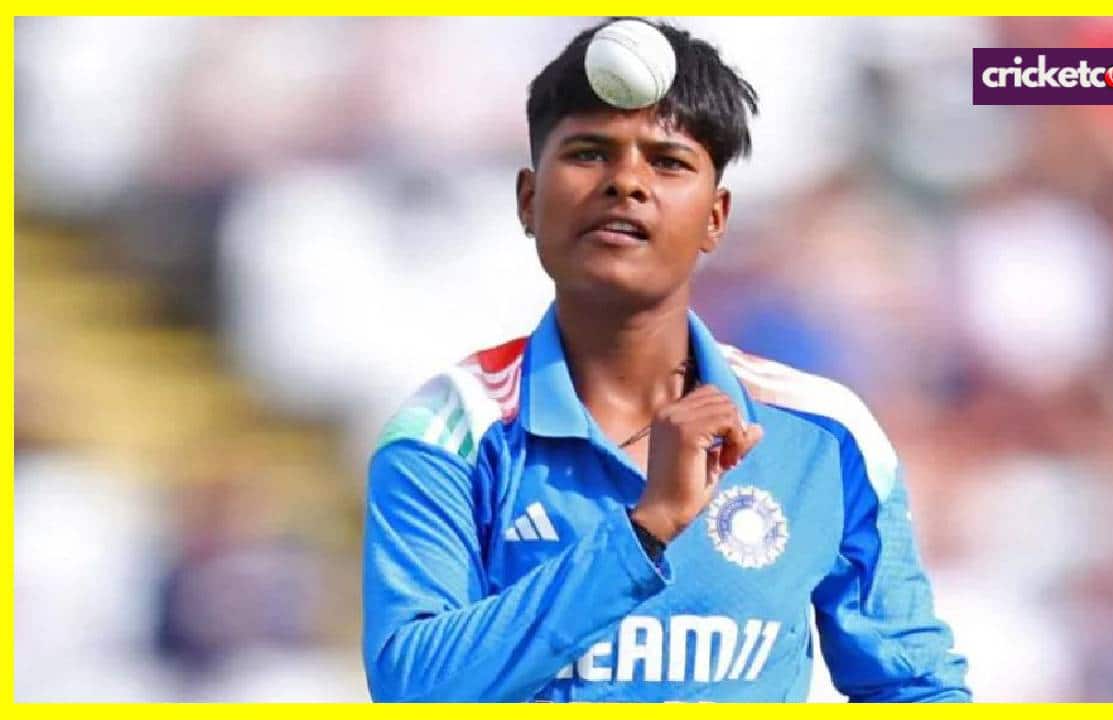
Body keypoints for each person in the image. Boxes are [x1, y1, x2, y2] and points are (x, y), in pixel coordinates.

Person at [362, 17, 970, 702]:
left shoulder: (825, 433)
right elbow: (413, 689)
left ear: (716, 217)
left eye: (668, 162)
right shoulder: (451, 429)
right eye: (589, 153)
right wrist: (644, 532)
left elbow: (916, 687)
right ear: (529, 201)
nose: (626, 182)